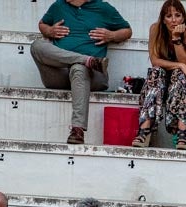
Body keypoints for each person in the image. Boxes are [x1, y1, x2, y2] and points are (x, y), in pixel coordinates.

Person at [31, 0, 131, 145]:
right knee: (36, 46)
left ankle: (77, 130)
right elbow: (42, 24)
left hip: (92, 76)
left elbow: (127, 31)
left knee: (79, 68)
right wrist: (49, 31)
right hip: (60, 75)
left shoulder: (104, 8)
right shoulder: (58, 6)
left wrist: (111, 36)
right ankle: (86, 60)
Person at [134, 0, 186, 149]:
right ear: (163, 19)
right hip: (162, 81)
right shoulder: (155, 29)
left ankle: (182, 130)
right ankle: (145, 129)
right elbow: (154, 61)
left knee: (180, 75)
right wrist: (180, 65)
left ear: (183, 18)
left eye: (177, 15)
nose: (173, 20)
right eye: (169, 16)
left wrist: (176, 38)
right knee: (155, 72)